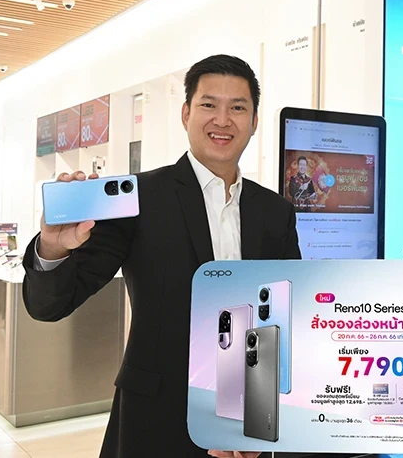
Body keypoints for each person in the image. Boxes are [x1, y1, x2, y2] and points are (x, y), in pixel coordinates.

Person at [21, 54, 300, 458]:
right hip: (156, 422)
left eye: (238, 108)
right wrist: (52, 249)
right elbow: (49, 305)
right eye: (209, 105)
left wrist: (263, 420)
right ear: (186, 114)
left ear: (254, 121)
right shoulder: (140, 198)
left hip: (248, 421)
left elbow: (286, 317)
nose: (222, 120)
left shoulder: (275, 212)